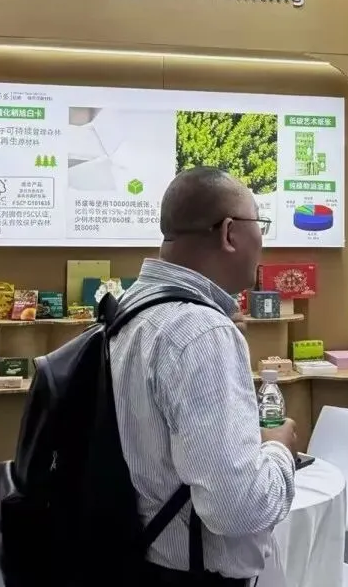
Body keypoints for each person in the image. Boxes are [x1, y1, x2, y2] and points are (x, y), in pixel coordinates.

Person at [109, 166, 298, 586]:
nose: (262, 240)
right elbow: (237, 509)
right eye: (260, 224)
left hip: (128, 555)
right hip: (189, 573)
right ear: (230, 232)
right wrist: (279, 450)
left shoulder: (129, 307)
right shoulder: (202, 332)